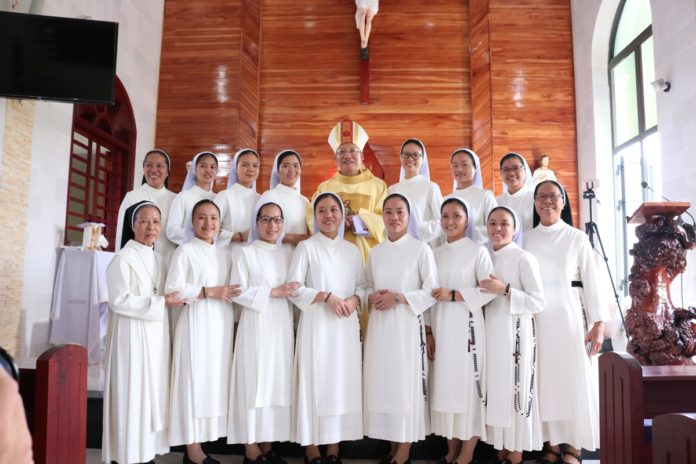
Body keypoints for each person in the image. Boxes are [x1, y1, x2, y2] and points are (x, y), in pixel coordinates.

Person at [524, 180, 608, 464]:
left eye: (553, 196)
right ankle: (550, 445)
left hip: (570, 318)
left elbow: (592, 281)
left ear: (563, 202)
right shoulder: (526, 239)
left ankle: (573, 447)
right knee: (545, 383)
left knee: (571, 381)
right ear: (534, 203)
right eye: (541, 196)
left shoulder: (577, 237)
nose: (547, 201)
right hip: (537, 321)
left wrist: (598, 323)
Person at [287, 192, 366, 464]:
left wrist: (353, 300)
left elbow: (363, 287)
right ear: (315, 216)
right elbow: (294, 288)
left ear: (342, 215)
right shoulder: (306, 247)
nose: (328, 215)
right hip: (316, 325)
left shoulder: (352, 251)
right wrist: (326, 297)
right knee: (315, 381)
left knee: (339, 384)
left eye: (334, 210)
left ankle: (333, 449)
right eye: (322, 210)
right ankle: (311, 449)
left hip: (344, 326)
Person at [103, 200, 181, 464]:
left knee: (151, 396)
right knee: (132, 395)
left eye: (156, 221)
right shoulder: (122, 259)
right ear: (132, 225)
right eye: (144, 221)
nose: (151, 227)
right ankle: (128, 454)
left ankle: (145, 453)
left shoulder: (160, 259)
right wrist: (161, 302)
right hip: (131, 337)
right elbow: (118, 300)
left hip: (156, 336)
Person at [363, 193, 438, 464]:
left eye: (400, 212)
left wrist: (399, 298)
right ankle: (393, 448)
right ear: (382, 216)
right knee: (386, 386)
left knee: (405, 386)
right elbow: (365, 285)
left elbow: (432, 291)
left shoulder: (421, 249)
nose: (394, 217)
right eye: (388, 212)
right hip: (380, 328)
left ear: (409, 216)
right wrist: (371, 296)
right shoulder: (376, 252)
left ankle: (404, 451)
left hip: (406, 327)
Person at [166, 200, 241, 464]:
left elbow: (233, 292)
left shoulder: (225, 255)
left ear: (220, 223)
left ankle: (203, 444)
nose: (208, 223)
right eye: (201, 217)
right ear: (192, 221)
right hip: (196, 322)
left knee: (212, 382)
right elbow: (172, 290)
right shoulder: (184, 251)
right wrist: (208, 292)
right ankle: (193, 450)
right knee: (193, 381)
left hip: (220, 324)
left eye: (213, 218)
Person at [227, 199, 298, 463]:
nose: (272, 225)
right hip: (255, 324)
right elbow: (237, 291)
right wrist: (274, 292)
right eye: (266, 219)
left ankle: (267, 447)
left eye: (277, 219)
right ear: (256, 223)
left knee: (276, 383)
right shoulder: (245, 253)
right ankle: (251, 449)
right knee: (253, 382)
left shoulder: (288, 254)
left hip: (281, 326)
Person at [429, 196, 495, 464]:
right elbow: (427, 294)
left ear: (467, 220)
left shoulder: (478, 251)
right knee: (446, 387)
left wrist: (454, 295)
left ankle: (467, 453)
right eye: (445, 216)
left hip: (467, 327)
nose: (450, 221)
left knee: (468, 388)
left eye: (456, 216)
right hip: (440, 326)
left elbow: (489, 290)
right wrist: (428, 332)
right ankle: (451, 449)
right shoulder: (434, 253)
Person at [481, 206, 545, 464]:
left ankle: (516, 455)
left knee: (516, 391)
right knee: (497, 392)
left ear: (515, 228)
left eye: (504, 223)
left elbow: (538, 301)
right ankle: (501, 452)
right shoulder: (485, 257)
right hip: (491, 333)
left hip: (516, 333)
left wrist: (506, 290)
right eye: (492, 223)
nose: (497, 229)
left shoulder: (524, 258)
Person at [310, 120, 387, 263]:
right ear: (335, 157)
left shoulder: (378, 186)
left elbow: (385, 221)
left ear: (362, 155)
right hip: (332, 257)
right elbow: (312, 219)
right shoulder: (324, 188)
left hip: (367, 257)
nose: (347, 156)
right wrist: (336, 225)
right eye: (342, 152)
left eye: (353, 151)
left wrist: (358, 222)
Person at [115, 149, 177, 264]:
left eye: (159, 166)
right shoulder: (132, 197)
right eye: (149, 165)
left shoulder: (176, 199)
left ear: (168, 171)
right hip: (139, 261)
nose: (153, 170)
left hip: (169, 260)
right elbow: (122, 233)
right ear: (144, 169)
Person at [388, 138, 444, 248]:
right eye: (406, 154)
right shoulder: (392, 190)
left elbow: (442, 220)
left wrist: (417, 228)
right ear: (400, 157)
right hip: (397, 246)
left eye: (415, 155)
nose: (410, 158)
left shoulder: (431, 187)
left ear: (423, 159)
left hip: (423, 246)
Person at [167, 151, 219, 246]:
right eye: (203, 166)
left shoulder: (218, 199)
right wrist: (200, 235)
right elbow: (171, 231)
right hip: (189, 249)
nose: (208, 170)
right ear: (194, 169)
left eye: (212, 167)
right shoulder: (183, 197)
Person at [215, 148, 262, 251]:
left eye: (255, 166)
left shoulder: (261, 199)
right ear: (235, 168)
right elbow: (211, 228)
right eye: (245, 165)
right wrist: (238, 236)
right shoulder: (224, 196)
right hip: (227, 254)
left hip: (254, 254)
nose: (251, 169)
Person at [264, 149, 310, 248]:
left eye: (296, 166)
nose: (291, 170)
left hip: (300, 254)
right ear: (277, 171)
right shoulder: (269, 196)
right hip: (276, 253)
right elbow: (261, 230)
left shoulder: (305, 201)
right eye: (285, 166)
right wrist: (290, 238)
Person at [450, 148, 497, 244]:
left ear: (475, 168)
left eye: (464, 164)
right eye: (455, 165)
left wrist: (465, 231)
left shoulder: (485, 196)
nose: (459, 169)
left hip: (478, 249)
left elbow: (495, 226)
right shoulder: (445, 199)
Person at [496, 152, 535, 233]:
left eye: (516, 168)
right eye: (506, 169)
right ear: (501, 173)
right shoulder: (497, 202)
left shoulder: (535, 199)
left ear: (525, 170)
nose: (511, 173)